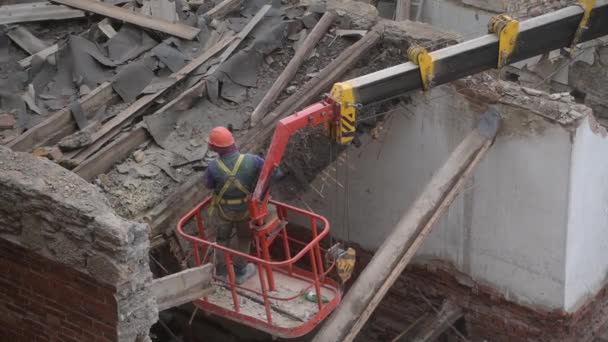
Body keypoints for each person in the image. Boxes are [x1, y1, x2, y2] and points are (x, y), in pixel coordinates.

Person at [203, 126, 282, 284]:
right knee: (244, 238)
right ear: (233, 143)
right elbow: (276, 174)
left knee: (222, 240)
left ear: (215, 147)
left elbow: (209, 185)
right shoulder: (252, 160)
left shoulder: (212, 167)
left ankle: (221, 272)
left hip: (224, 210)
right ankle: (240, 272)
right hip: (246, 210)